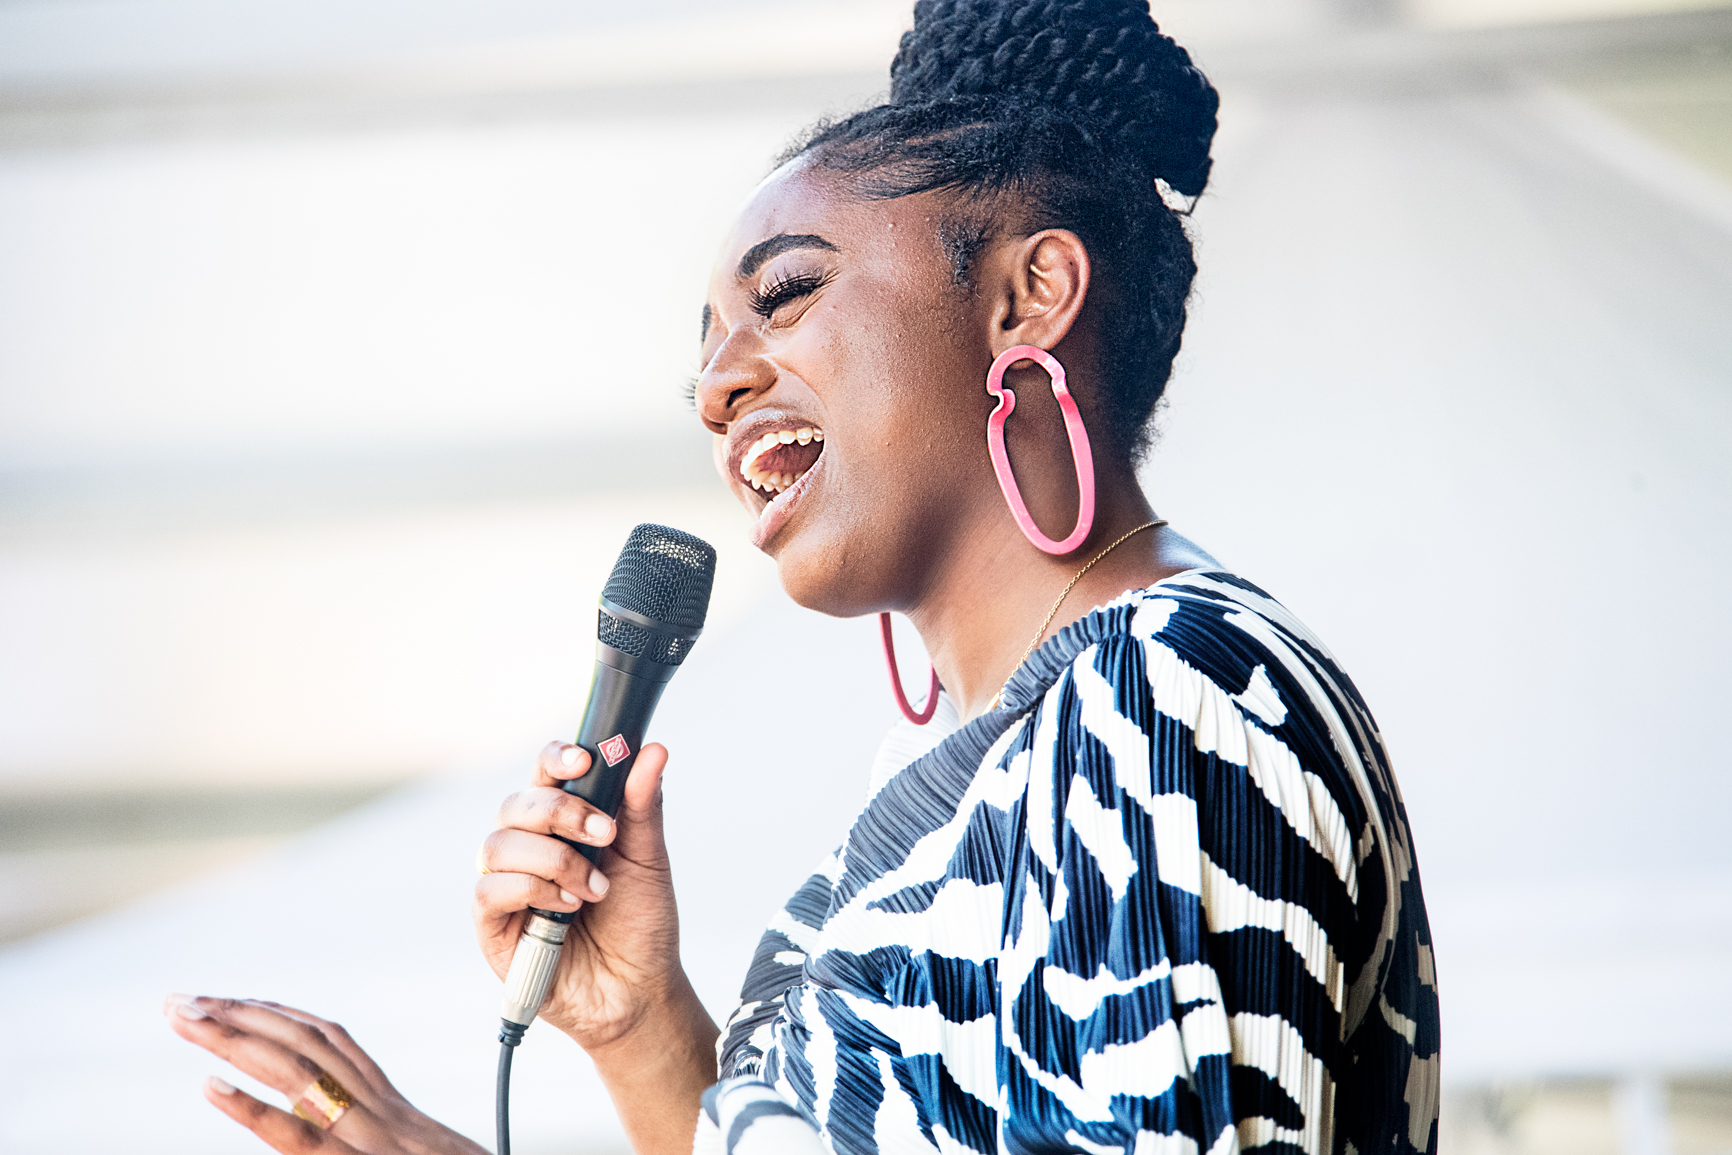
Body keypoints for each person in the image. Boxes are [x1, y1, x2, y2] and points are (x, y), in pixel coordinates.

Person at [164, 1, 1441, 1152]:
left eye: (785, 295)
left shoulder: (1169, 698)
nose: (717, 389)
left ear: (1030, 294)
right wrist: (641, 1030)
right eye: (705, 354)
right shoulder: (974, 763)